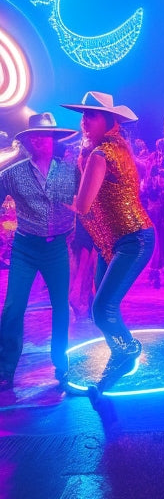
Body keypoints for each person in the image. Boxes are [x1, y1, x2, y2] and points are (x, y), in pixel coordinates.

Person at [62, 92, 155, 399]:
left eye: (92, 115)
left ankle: (128, 350)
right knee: (102, 307)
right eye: (83, 115)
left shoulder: (102, 154)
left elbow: (84, 205)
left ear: (109, 120)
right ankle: (119, 356)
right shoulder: (111, 149)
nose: (85, 121)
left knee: (102, 309)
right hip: (113, 243)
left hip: (133, 240)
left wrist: (51, 196)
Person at [0, 113, 77, 391]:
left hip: (57, 247)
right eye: (33, 136)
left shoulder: (71, 171)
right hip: (25, 247)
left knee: (61, 307)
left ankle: (61, 364)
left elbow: (89, 200)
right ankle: (6, 369)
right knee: (13, 308)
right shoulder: (13, 173)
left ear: (53, 139)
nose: (38, 139)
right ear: (28, 141)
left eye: (44, 135)